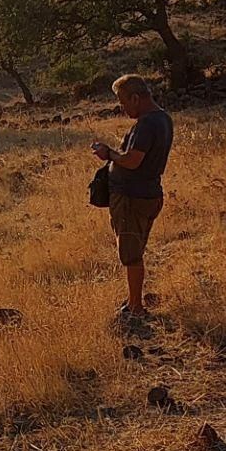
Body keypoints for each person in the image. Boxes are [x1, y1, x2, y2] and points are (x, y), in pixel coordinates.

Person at [90, 74, 174, 328]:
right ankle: (133, 301)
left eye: (123, 102)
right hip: (147, 193)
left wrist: (109, 154)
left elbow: (132, 160)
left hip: (132, 197)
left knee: (131, 255)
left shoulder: (147, 123)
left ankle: (136, 307)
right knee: (134, 250)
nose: (123, 107)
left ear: (135, 98)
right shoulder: (163, 119)